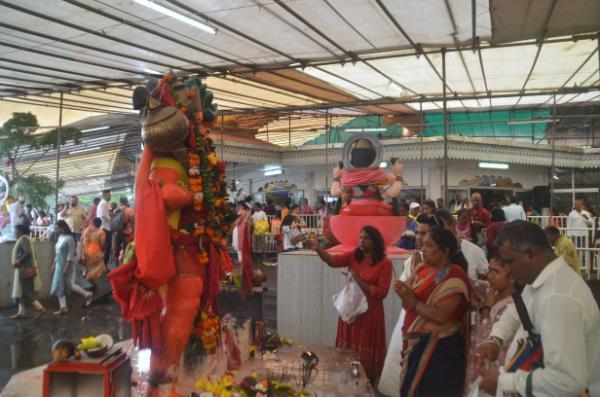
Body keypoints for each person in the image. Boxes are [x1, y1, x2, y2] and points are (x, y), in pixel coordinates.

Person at [475, 221, 600, 396]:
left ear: (530, 254)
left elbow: (566, 380)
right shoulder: (541, 280)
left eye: (509, 262)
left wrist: (503, 382)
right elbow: (517, 312)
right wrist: (496, 339)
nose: (508, 271)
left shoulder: (558, 297)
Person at [394, 227, 470, 396]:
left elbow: (440, 316)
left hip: (440, 348)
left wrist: (412, 300)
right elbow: (408, 306)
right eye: (423, 245)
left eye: (429, 245)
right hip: (415, 344)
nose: (423, 248)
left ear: (444, 252)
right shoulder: (422, 268)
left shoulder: (455, 276)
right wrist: (403, 293)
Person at [310, 226, 392, 381]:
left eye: (365, 238)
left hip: (369, 314)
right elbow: (333, 261)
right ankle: (346, 381)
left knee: (364, 356)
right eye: (360, 237)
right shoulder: (355, 256)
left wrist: (359, 281)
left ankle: (365, 383)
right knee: (347, 354)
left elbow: (382, 292)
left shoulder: (385, 264)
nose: (361, 240)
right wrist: (318, 249)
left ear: (375, 242)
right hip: (350, 311)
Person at [378, 214, 437, 396]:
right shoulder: (412, 259)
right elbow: (404, 289)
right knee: (399, 357)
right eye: (418, 233)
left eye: (424, 234)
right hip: (408, 315)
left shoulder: (440, 263)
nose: (419, 238)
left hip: (428, 318)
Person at [464, 257, 517, 396]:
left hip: (495, 368)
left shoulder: (512, 305)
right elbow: (470, 282)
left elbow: (486, 336)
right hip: (478, 362)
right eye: (489, 270)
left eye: (496, 272)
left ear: (512, 278)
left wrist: (486, 308)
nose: (490, 275)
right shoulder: (490, 291)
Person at [51, 220, 92, 315]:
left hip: (67, 265)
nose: (55, 230)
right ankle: (63, 307)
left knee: (70, 285)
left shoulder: (69, 238)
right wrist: (54, 263)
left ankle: (87, 294)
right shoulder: (60, 237)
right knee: (59, 284)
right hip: (59, 265)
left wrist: (67, 266)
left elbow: (70, 253)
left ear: (62, 228)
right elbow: (57, 253)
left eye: (57, 228)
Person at [10, 224, 47, 319]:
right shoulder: (26, 239)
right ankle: (21, 312)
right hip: (27, 268)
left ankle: (40, 308)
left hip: (25, 269)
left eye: (15, 231)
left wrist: (18, 261)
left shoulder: (23, 239)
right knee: (22, 291)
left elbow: (28, 252)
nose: (14, 232)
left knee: (25, 290)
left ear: (20, 231)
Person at [78, 218, 107, 282]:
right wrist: (104, 251)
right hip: (96, 252)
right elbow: (103, 243)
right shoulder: (101, 232)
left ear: (93, 223)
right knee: (98, 268)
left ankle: (90, 281)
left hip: (86, 251)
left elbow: (82, 240)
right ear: (100, 224)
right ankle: (89, 280)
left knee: (89, 268)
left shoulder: (87, 230)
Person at [96, 189, 112, 266]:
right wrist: (110, 219)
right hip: (105, 228)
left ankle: (102, 266)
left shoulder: (101, 203)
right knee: (106, 249)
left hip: (102, 228)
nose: (110, 196)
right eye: (109, 195)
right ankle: (104, 266)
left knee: (103, 248)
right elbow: (103, 216)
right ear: (104, 195)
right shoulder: (104, 203)